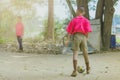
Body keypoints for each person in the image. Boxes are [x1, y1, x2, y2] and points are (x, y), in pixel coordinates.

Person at [66, 6, 92, 77]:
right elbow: (87, 31)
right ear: (83, 13)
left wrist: (68, 39)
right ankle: (88, 69)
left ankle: (74, 71)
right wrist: (86, 38)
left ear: (77, 11)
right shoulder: (86, 20)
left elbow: (69, 31)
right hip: (83, 36)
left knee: (75, 53)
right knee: (85, 53)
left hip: (76, 36)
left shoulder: (73, 20)